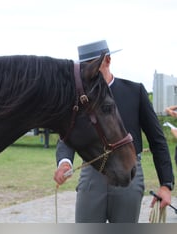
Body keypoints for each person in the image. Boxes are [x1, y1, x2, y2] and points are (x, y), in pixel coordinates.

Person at [54, 40, 175, 223]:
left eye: (94, 67)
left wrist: (166, 185)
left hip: (129, 173)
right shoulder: (78, 97)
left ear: (108, 61)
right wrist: (64, 162)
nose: (89, 73)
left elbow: (157, 141)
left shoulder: (135, 92)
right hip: (92, 176)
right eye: (84, 68)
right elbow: (67, 137)